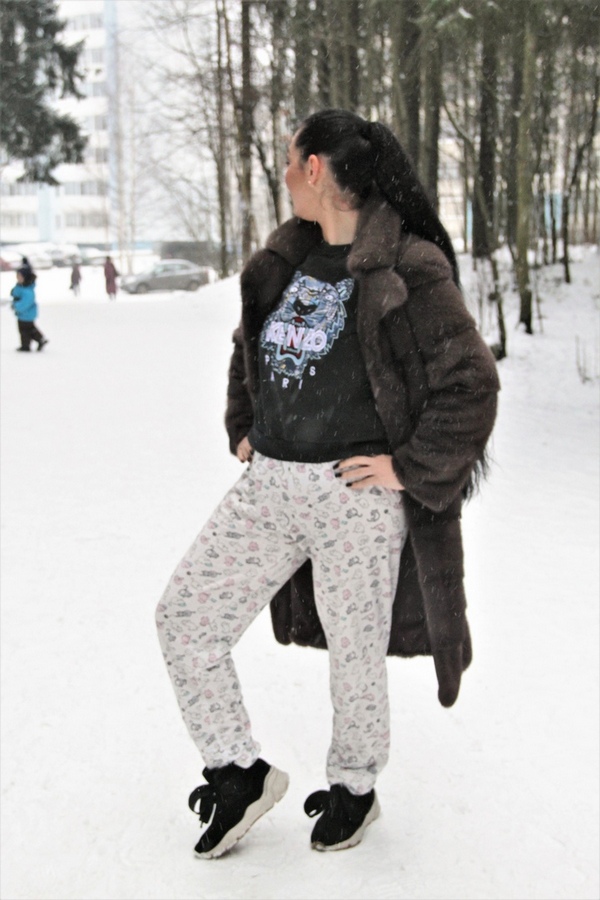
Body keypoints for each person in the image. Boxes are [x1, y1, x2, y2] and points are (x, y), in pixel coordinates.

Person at [156, 108, 500, 859]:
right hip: (270, 487)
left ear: (314, 169)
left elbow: (471, 382)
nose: (285, 175)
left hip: (354, 499)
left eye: (291, 161)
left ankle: (355, 786)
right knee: (184, 618)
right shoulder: (288, 259)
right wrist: (244, 424)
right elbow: (248, 348)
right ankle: (238, 773)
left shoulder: (407, 266)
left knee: (355, 654)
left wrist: (407, 468)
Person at [10, 264, 48, 352]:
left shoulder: (28, 292)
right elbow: (16, 293)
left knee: (26, 330)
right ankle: (32, 342)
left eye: (20, 276)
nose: (18, 278)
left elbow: (25, 303)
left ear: (25, 278)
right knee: (28, 329)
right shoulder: (21, 286)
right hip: (23, 314)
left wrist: (16, 306)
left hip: (27, 314)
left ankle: (29, 344)